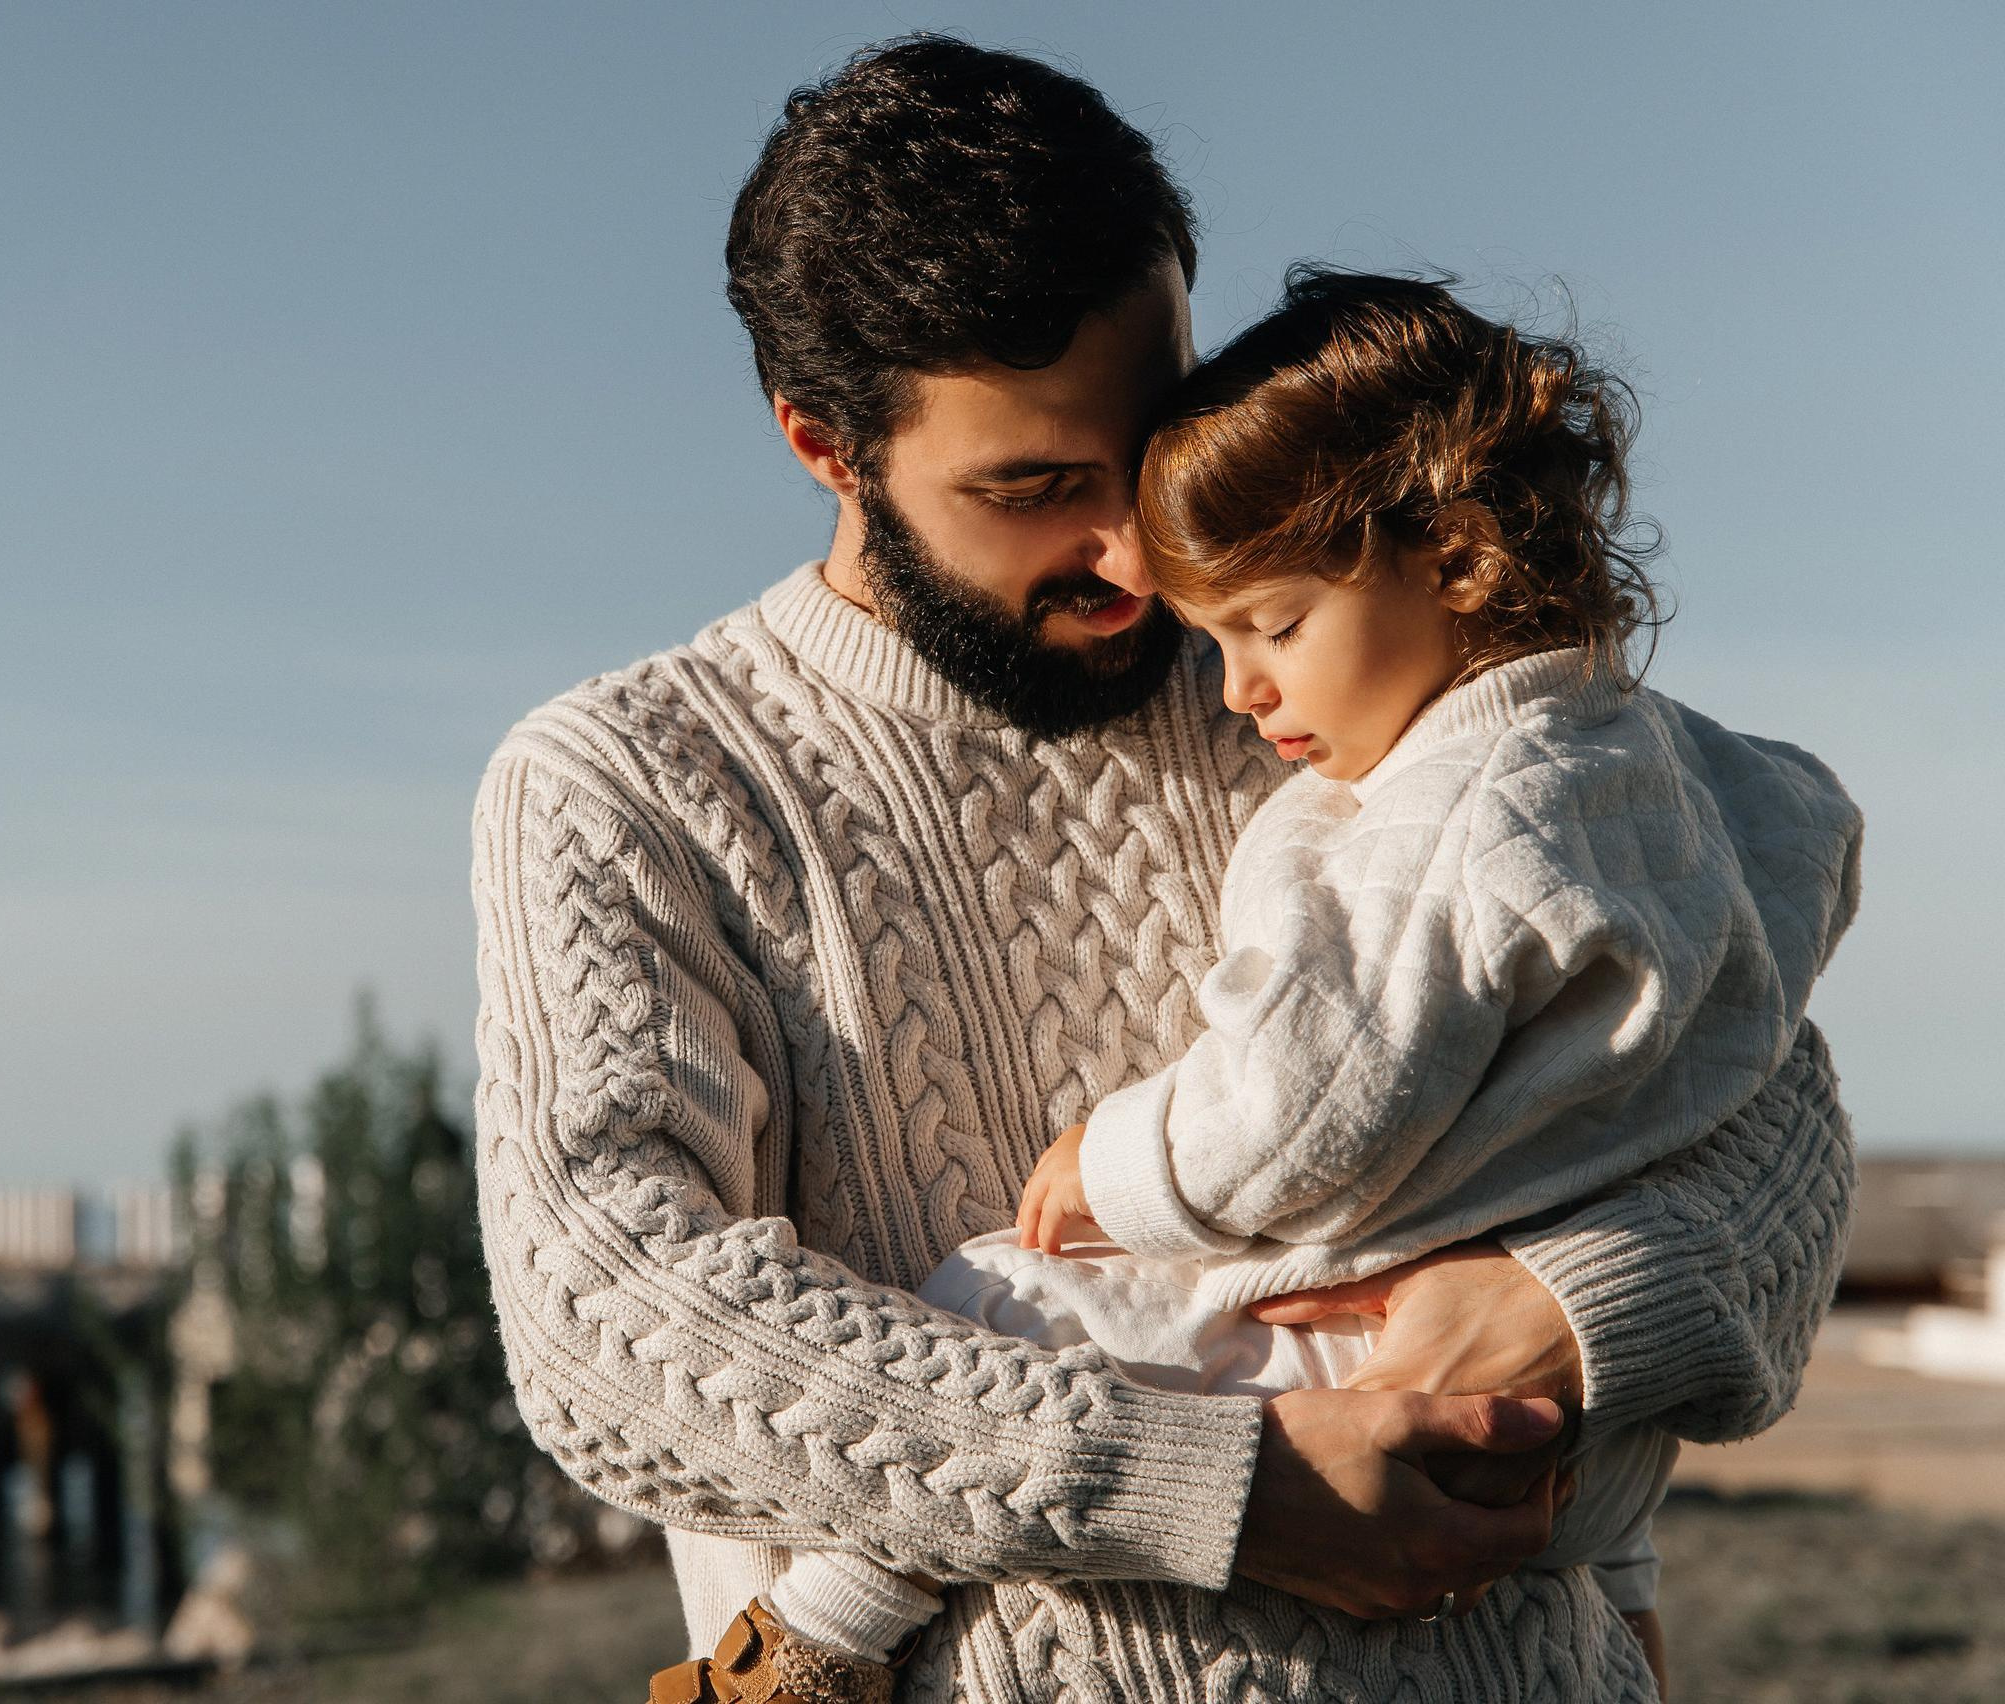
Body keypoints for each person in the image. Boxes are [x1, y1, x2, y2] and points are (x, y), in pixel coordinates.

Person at [470, 36, 1855, 1704]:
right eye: (1037, 488)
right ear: (824, 446)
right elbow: (611, 1331)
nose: (1139, 548)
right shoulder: (634, 782)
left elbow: (1756, 1066)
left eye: (1155, 446)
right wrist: (1219, 1485)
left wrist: (1581, 1303)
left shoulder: (1370, 668)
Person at [757, 268, 1864, 1699]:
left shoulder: (1443, 808)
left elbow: (1310, 1098)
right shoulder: (1704, 772)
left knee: (1000, 1300)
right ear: (829, 444)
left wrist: (1121, 1163)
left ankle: (823, 1632)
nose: (1233, 691)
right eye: (1217, 640)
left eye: (1270, 629)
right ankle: (1632, 1631)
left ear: (1456, 556)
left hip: (1355, 1377)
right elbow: (1776, 967)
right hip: (1588, 1456)